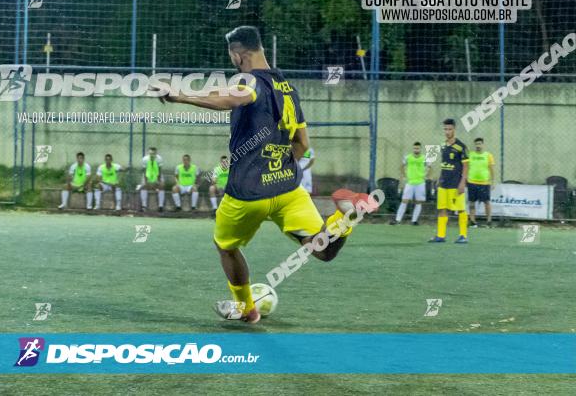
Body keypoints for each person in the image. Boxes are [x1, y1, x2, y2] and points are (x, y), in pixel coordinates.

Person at [157, 26, 377, 323]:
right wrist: (280, 168)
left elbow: (232, 98)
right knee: (322, 249)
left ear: (239, 54)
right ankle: (344, 218)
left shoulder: (247, 80)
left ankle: (246, 308)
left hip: (247, 192)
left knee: (226, 246)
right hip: (288, 188)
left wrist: (179, 95)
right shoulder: (287, 87)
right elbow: (303, 144)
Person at [429, 119, 469, 244]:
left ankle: (463, 235)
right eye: (445, 129)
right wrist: (439, 178)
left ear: (454, 130)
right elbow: (444, 164)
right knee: (442, 209)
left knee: (460, 209)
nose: (447, 132)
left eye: (450, 129)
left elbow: (466, 166)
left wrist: (462, 182)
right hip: (444, 183)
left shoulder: (461, 146)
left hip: (455, 183)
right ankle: (441, 236)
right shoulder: (443, 145)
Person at [391, 142, 428, 225]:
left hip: (420, 183)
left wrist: (427, 176)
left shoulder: (424, 158)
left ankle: (414, 221)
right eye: (415, 148)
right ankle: (398, 220)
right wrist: (404, 176)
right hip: (410, 183)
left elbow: (430, 168)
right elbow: (401, 167)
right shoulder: (408, 157)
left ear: (420, 149)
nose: (416, 150)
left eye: (418, 148)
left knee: (418, 202)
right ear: (413, 148)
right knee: (404, 200)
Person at [467, 137, 495, 228]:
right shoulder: (470, 155)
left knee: (486, 202)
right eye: (476, 144)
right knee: (471, 202)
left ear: (483, 144)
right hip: (472, 182)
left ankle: (489, 221)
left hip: (484, 183)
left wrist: (493, 181)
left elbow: (492, 169)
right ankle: (472, 221)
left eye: (479, 144)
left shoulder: (488, 155)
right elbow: (466, 167)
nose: (478, 146)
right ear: (474, 145)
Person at [138, 146, 165, 212]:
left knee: (162, 186)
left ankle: (160, 206)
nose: (152, 155)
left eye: (154, 153)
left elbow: (159, 170)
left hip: (156, 175)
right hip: (148, 176)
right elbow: (144, 171)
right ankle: (144, 206)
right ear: (149, 153)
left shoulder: (159, 159)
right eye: (151, 153)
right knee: (143, 187)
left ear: (156, 153)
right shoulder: (145, 159)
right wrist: (146, 182)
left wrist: (158, 181)